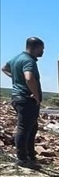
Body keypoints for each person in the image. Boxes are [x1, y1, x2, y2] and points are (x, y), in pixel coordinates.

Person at [2, 37, 45, 168]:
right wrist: (36, 95)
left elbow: (4, 68)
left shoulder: (16, 58)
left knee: (32, 128)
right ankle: (22, 159)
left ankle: (30, 156)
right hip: (26, 99)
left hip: (17, 98)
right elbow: (29, 77)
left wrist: (15, 77)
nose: (43, 51)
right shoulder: (29, 60)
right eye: (42, 48)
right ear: (36, 47)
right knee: (24, 128)